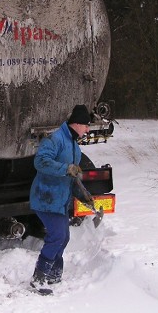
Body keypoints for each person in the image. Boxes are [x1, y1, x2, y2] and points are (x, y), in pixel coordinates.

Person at [29, 104, 95, 295]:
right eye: (86, 126)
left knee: (63, 237)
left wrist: (85, 197)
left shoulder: (75, 147)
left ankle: (54, 274)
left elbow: (72, 179)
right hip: (46, 197)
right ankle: (39, 278)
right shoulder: (55, 139)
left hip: (60, 200)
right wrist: (65, 168)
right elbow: (40, 162)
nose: (88, 130)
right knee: (57, 236)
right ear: (77, 124)